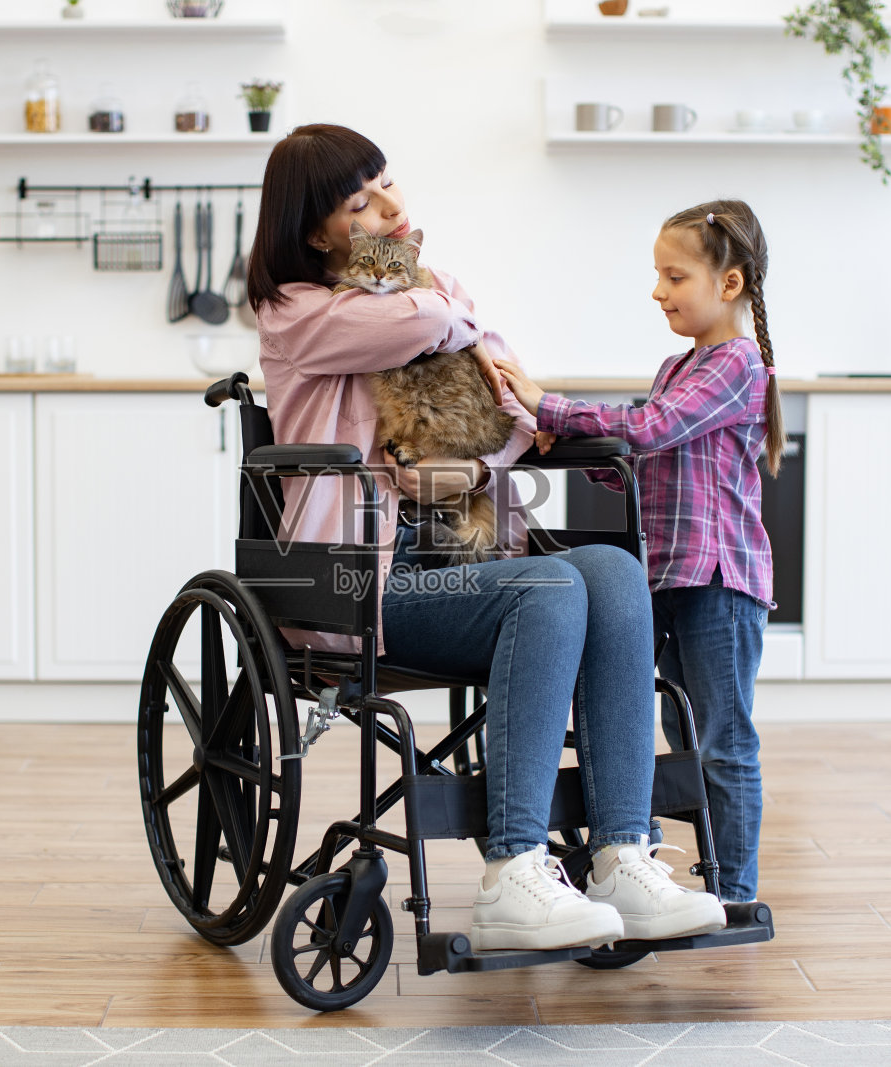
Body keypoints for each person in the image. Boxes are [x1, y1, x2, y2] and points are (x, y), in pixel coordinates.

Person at [247, 124, 727, 951]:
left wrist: (472, 471)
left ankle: (620, 853)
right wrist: (451, 315)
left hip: (467, 564)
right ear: (315, 230)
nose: (392, 206)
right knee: (548, 587)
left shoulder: (429, 297)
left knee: (608, 570)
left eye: (389, 183)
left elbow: (510, 405)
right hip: (357, 585)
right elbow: (422, 323)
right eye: (361, 202)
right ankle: (513, 871)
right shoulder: (297, 312)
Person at [496, 199, 780, 905]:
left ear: (731, 284)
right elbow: (644, 457)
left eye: (674, 276)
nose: (659, 291)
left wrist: (551, 404)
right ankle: (653, 874)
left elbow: (652, 429)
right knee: (664, 734)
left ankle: (734, 890)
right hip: (665, 574)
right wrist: (567, 442)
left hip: (719, 578)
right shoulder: (674, 365)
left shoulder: (739, 364)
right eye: (658, 275)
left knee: (721, 742)